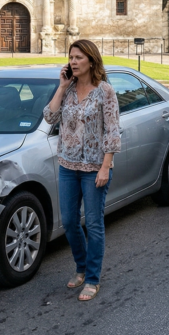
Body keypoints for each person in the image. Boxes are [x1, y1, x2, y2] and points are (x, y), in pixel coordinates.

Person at [43, 40, 121, 302]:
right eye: (71, 57)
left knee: (95, 223)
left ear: (91, 60)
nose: (73, 62)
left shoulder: (105, 91)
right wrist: (62, 86)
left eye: (78, 57)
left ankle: (92, 278)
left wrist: (105, 166)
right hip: (67, 165)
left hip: (94, 168)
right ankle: (81, 266)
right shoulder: (67, 89)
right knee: (69, 221)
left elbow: (112, 131)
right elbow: (50, 118)